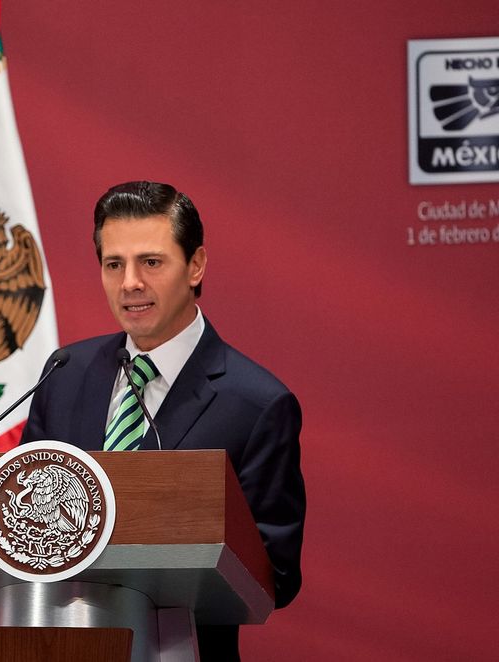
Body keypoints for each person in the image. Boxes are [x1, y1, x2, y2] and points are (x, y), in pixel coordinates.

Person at [22, 181, 305, 661]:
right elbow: (17, 519)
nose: (130, 282)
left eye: (151, 262)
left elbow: (273, 574)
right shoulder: (65, 373)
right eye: (114, 264)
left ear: (196, 266)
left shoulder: (257, 404)